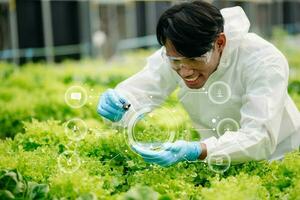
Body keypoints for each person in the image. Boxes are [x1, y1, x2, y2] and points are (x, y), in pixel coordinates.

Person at [97, 1, 300, 167]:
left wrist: (197, 150)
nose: (185, 71)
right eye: (175, 62)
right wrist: (120, 101)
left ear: (220, 43)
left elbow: (260, 136)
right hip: (220, 158)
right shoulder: (176, 54)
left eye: (194, 59)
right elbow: (143, 88)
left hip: (280, 155)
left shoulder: (263, 61)